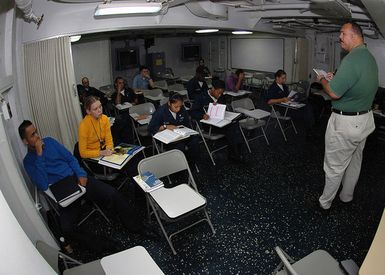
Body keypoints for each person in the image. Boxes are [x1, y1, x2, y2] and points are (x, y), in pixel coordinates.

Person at [19, 120, 146, 251]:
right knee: (67, 228)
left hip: (75, 178)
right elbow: (42, 184)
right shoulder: (28, 162)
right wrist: (39, 155)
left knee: (112, 193)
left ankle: (137, 227)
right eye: (32, 135)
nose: (37, 136)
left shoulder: (50, 142)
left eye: (36, 132)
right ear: (25, 141)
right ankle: (106, 245)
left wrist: (81, 174)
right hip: (62, 189)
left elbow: (70, 158)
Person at [316, 22, 378, 210]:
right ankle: (346, 196)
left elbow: (334, 94)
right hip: (365, 120)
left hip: (346, 124)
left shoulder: (351, 60)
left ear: (355, 35)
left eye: (343, 33)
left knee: (334, 166)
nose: (340, 37)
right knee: (354, 161)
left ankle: (324, 203)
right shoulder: (368, 57)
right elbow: (355, 84)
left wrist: (322, 80)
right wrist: (335, 79)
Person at [190, 78, 245, 162]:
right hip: (208, 126)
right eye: (218, 93)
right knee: (231, 129)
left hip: (221, 122)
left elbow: (223, 108)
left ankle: (237, 152)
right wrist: (202, 115)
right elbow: (193, 112)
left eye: (221, 93)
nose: (220, 95)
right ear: (212, 89)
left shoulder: (221, 97)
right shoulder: (201, 97)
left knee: (235, 124)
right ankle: (235, 154)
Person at [148, 93, 199, 165]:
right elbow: (151, 128)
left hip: (180, 135)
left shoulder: (182, 109)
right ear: (169, 103)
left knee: (195, 140)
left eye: (180, 106)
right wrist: (165, 126)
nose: (178, 109)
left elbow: (186, 123)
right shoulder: (161, 111)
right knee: (180, 147)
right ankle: (179, 167)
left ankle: (191, 163)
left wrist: (186, 131)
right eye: (176, 107)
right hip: (167, 138)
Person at [266, 69, 316, 137]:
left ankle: (311, 127)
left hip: (288, 105)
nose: (284, 80)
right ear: (277, 78)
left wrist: (292, 97)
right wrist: (282, 99)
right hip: (281, 108)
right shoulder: (273, 87)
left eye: (285, 78)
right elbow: (269, 101)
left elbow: (287, 96)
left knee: (307, 106)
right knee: (304, 112)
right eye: (283, 78)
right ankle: (309, 130)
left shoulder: (284, 86)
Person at [110, 77, 136, 144]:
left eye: (122, 83)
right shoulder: (114, 95)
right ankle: (129, 141)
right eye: (119, 83)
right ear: (116, 84)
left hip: (133, 110)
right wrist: (119, 92)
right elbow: (118, 103)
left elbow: (135, 100)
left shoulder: (129, 90)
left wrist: (132, 103)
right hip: (123, 113)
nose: (121, 84)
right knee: (125, 121)